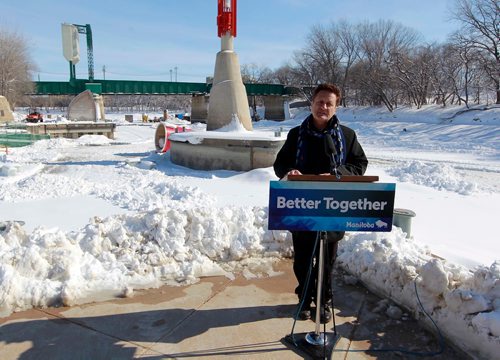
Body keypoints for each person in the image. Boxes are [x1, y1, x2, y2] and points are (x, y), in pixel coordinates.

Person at [273, 83, 368, 323]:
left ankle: (324, 300)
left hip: (333, 208)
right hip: (302, 207)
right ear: (312, 103)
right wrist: (290, 171)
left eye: (329, 103)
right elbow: (279, 164)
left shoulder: (347, 136)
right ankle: (304, 299)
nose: (323, 107)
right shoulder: (297, 134)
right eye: (319, 102)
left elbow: (359, 164)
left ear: (336, 107)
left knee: (327, 259)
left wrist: (339, 174)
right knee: (303, 258)